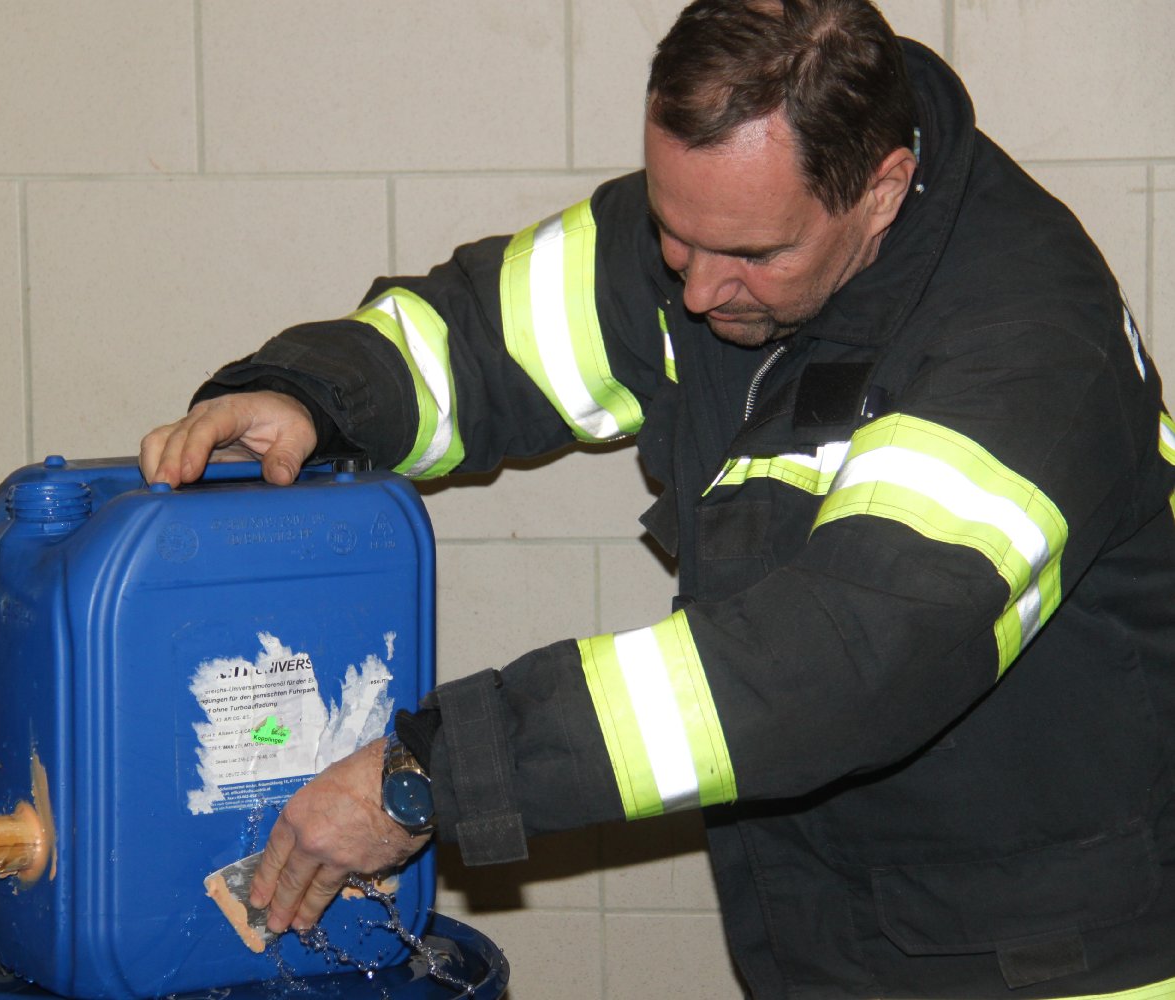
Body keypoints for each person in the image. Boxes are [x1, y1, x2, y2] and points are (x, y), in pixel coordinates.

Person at [141, 0, 1175, 995]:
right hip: (844, 935)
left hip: (1057, 956)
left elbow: (831, 668)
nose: (696, 289)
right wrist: (309, 395)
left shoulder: (1026, 345)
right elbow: (485, 336)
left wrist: (429, 775)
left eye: (754, 256)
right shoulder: (725, 223)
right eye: (676, 234)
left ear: (883, 189)